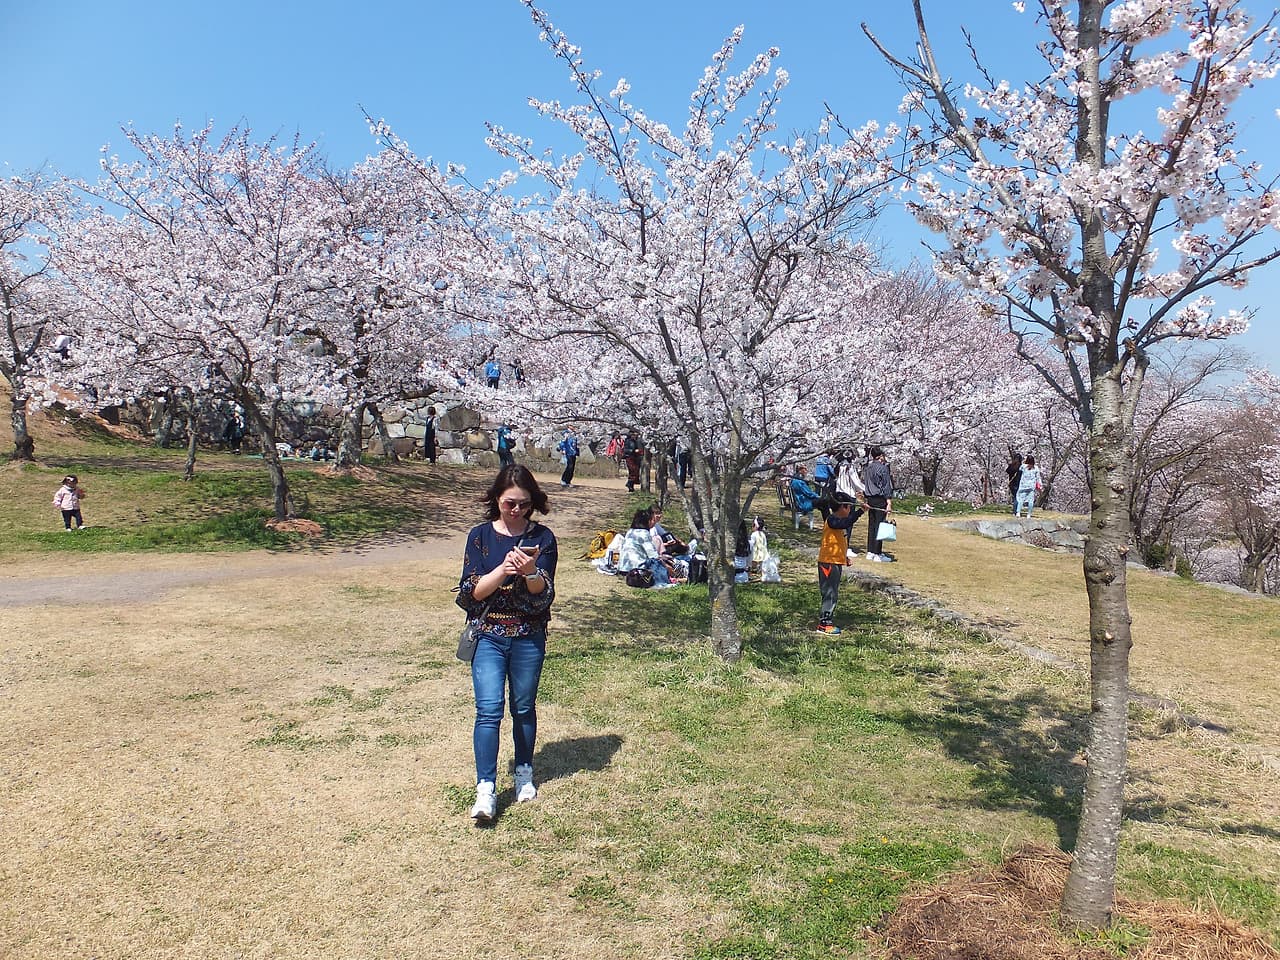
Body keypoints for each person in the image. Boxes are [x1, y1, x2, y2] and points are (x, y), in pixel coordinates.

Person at [456, 465, 558, 823]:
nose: (516, 510)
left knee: (523, 707)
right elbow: (471, 593)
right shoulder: (480, 536)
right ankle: (485, 788)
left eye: (524, 504)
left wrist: (530, 572)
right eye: (509, 503)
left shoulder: (543, 538)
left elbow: (543, 596)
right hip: (488, 634)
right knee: (488, 710)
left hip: (528, 636)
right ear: (496, 499)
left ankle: (524, 773)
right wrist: (503, 569)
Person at [816, 493, 862, 633]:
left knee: (833, 591)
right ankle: (824, 624)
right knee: (830, 592)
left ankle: (826, 619)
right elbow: (847, 522)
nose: (850, 511)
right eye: (849, 508)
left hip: (835, 562)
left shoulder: (837, 522)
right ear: (843, 507)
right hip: (828, 563)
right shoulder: (832, 520)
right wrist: (861, 511)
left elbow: (838, 543)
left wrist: (844, 557)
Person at [617, 507, 671, 586]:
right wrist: (666, 564)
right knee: (658, 563)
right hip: (637, 568)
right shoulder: (644, 533)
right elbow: (653, 555)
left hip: (623, 567)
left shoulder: (630, 531)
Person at [862, 446, 895, 562]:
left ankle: (870, 551)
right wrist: (889, 501)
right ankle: (877, 553)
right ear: (880, 456)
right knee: (879, 525)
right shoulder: (883, 468)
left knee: (872, 525)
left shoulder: (868, 468)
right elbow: (886, 486)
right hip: (880, 498)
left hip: (870, 498)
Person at [789, 466, 818, 531]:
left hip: (798, 502)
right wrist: (818, 496)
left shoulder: (793, 480)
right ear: (801, 471)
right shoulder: (800, 482)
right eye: (805, 470)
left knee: (822, 503)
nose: (806, 471)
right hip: (804, 503)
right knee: (823, 503)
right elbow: (809, 493)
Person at [1015, 455, 1043, 519]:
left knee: (1021, 499)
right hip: (1031, 486)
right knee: (1030, 501)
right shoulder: (1036, 468)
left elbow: (1019, 471)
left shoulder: (1023, 467)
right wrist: (1040, 485)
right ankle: (1029, 514)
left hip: (1023, 486)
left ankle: (1018, 512)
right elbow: (1038, 478)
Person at [1006, 450, 1023, 515]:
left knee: (1015, 497)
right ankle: (1016, 511)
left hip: (1012, 484)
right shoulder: (1021, 467)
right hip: (1018, 483)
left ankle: (1015, 510)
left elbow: (1007, 471)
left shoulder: (1011, 466)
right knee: (1017, 497)